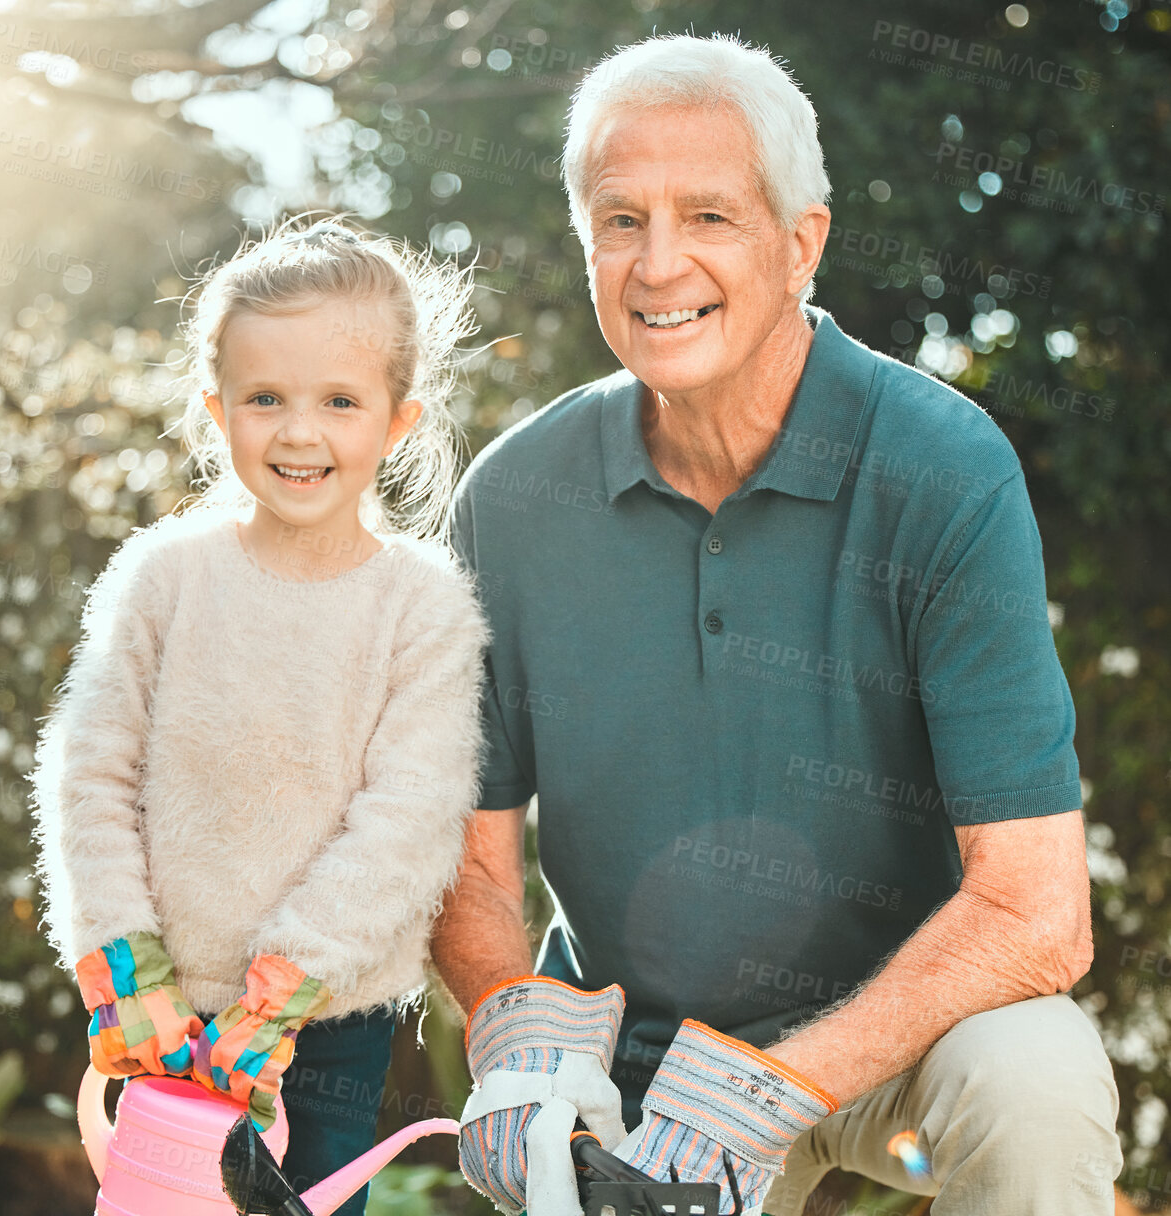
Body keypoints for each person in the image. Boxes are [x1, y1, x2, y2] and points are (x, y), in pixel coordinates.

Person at [435, 33, 1121, 1216]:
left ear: (801, 242)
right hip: (630, 1065)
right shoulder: (511, 499)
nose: (658, 265)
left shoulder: (945, 470)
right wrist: (520, 1036)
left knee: (1039, 1077)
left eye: (708, 215)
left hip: (891, 1043)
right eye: (619, 220)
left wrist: (765, 1089)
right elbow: (469, 852)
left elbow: (1036, 912)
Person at [29, 216, 490, 1216]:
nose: (299, 431)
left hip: (324, 1026)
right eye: (265, 398)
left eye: (339, 400)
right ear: (216, 409)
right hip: (159, 1008)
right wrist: (124, 963)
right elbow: (89, 773)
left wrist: (280, 990)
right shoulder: (162, 578)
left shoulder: (424, 606)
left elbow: (408, 820)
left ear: (397, 418)